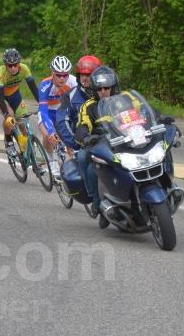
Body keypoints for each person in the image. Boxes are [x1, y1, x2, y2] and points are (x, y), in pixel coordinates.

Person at [75, 66, 121, 217]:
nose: (103, 91)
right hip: (99, 142)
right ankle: (95, 199)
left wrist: (160, 118)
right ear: (94, 90)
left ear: (113, 88)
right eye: (99, 89)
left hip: (123, 139)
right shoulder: (88, 106)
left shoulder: (125, 100)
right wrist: (86, 137)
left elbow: (144, 111)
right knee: (89, 165)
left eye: (107, 88)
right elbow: (82, 125)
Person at [0, 48, 39, 155]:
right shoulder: (1, 73)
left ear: (19, 63)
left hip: (14, 93)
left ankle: (30, 156)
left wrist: (42, 104)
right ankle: (8, 141)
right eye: (9, 65)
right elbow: (0, 97)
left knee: (23, 123)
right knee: (10, 115)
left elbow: (34, 89)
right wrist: (6, 115)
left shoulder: (24, 69)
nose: (13, 68)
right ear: (5, 65)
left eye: (15, 65)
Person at [37, 55, 77, 176]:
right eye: (58, 75)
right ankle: (51, 160)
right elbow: (43, 111)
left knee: (71, 139)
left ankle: (76, 163)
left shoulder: (73, 82)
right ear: (52, 73)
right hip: (47, 111)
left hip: (61, 110)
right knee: (48, 135)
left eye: (65, 75)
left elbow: (78, 104)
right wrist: (50, 131)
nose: (62, 78)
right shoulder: (44, 85)